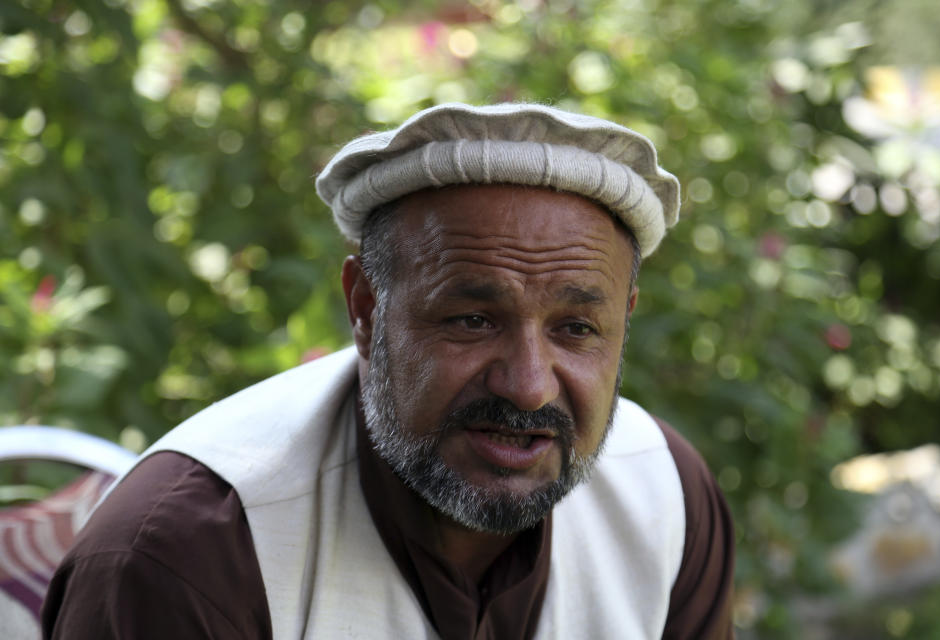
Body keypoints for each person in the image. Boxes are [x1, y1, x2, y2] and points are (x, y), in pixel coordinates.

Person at [42, 103, 735, 639]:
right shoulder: (191, 554)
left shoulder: (666, 494)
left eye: (576, 329)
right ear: (366, 309)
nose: (528, 385)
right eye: (472, 319)